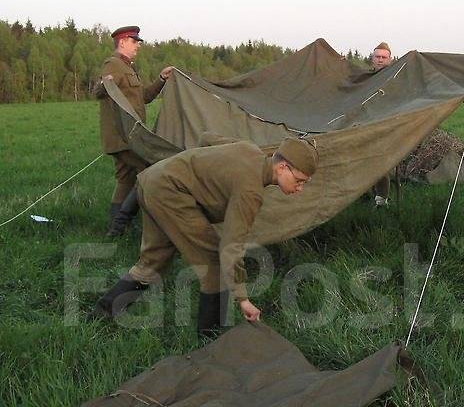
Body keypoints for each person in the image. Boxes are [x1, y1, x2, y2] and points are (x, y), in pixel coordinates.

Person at [90, 137, 319, 339]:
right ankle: (210, 340)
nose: (300, 189)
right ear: (282, 167)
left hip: (153, 180)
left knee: (153, 261)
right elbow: (231, 246)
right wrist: (243, 299)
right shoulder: (250, 191)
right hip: (170, 192)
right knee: (213, 264)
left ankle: (101, 315)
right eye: (299, 180)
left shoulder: (250, 149)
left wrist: (198, 168)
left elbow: (207, 137)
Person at [92, 26, 174, 237]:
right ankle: (132, 224)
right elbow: (98, 92)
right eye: (134, 41)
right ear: (122, 42)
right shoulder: (114, 65)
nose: (138, 45)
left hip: (129, 137)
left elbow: (144, 97)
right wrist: (104, 84)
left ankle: (116, 230)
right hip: (123, 138)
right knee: (149, 170)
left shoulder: (128, 68)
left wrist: (162, 79)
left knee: (126, 180)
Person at [371, 42, 393, 207]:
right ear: (373, 59)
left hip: (387, 126)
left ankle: (381, 199)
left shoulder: (395, 77)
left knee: (382, 162)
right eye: (377, 57)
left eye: (383, 57)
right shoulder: (365, 78)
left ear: (390, 60)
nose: (380, 60)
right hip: (365, 125)